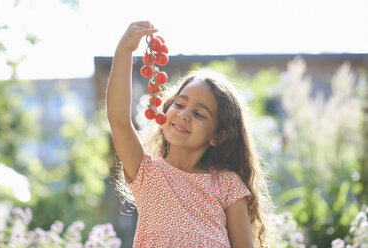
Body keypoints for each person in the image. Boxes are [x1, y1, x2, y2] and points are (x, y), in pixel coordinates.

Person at [107, 21, 273, 248]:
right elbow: (119, 121)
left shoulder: (227, 184)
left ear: (218, 136)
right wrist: (125, 50)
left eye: (199, 114)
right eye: (180, 104)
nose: (184, 115)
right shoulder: (148, 173)